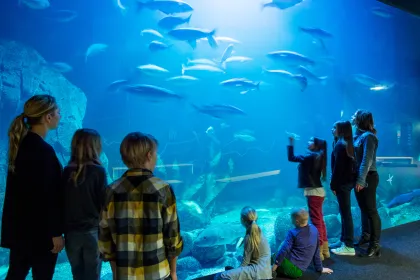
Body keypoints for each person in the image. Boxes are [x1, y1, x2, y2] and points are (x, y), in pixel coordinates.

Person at [99, 132, 183, 280]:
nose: (157, 157)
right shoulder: (162, 189)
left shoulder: (111, 190)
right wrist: (174, 273)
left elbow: (105, 239)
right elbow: (172, 237)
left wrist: (116, 273)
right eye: (156, 153)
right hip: (158, 273)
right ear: (149, 155)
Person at [1, 94, 64, 279]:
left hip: (20, 231)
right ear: (48, 117)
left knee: (16, 273)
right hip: (41, 233)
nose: (61, 115)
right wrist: (55, 233)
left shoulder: (20, 146)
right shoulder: (44, 151)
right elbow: (48, 195)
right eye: (58, 112)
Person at [62, 128, 107, 280]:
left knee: (77, 274)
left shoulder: (66, 171)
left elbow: (61, 204)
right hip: (92, 232)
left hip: (71, 234)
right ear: (95, 147)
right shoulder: (99, 171)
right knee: (93, 275)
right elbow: (104, 204)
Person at [287, 136, 329, 260]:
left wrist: (291, 143)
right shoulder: (319, 156)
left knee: (316, 222)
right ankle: (325, 250)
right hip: (318, 191)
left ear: (316, 145)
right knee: (320, 220)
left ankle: (319, 252)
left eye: (311, 141)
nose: (308, 142)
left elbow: (291, 157)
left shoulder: (310, 156)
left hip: (313, 192)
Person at [351, 109, 381, 257]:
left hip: (368, 176)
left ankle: (375, 244)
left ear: (360, 119)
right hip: (361, 177)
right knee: (363, 209)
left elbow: (366, 160)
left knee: (371, 210)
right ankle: (366, 235)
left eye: (354, 116)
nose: (352, 117)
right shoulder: (360, 135)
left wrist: (361, 179)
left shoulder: (369, 137)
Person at [271, 209, 333, 279]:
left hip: (295, 271)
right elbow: (316, 251)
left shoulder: (292, 232)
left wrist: (273, 268)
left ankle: (271, 272)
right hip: (302, 268)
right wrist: (320, 268)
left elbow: (283, 250)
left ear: (296, 222)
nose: (291, 221)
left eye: (292, 219)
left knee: (274, 256)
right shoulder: (314, 229)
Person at [214, 207, 272, 280]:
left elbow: (245, 263)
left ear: (242, 220)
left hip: (256, 272)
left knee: (220, 276)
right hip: (266, 272)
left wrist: (237, 274)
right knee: (229, 269)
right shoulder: (259, 231)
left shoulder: (249, 237)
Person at [329, 121, 357, 256]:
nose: (332, 129)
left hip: (342, 184)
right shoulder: (344, 143)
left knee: (346, 214)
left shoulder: (341, 145)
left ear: (341, 130)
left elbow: (337, 169)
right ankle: (343, 240)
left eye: (334, 128)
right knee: (344, 213)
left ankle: (349, 246)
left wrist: (333, 185)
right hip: (347, 183)